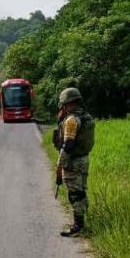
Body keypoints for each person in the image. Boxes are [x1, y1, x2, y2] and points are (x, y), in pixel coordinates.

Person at [53, 87, 95, 237]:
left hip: (73, 162)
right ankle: (84, 220)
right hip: (83, 159)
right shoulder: (86, 116)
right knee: (81, 191)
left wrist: (59, 166)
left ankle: (78, 226)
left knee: (75, 194)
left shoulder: (71, 120)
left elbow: (68, 146)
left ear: (67, 103)